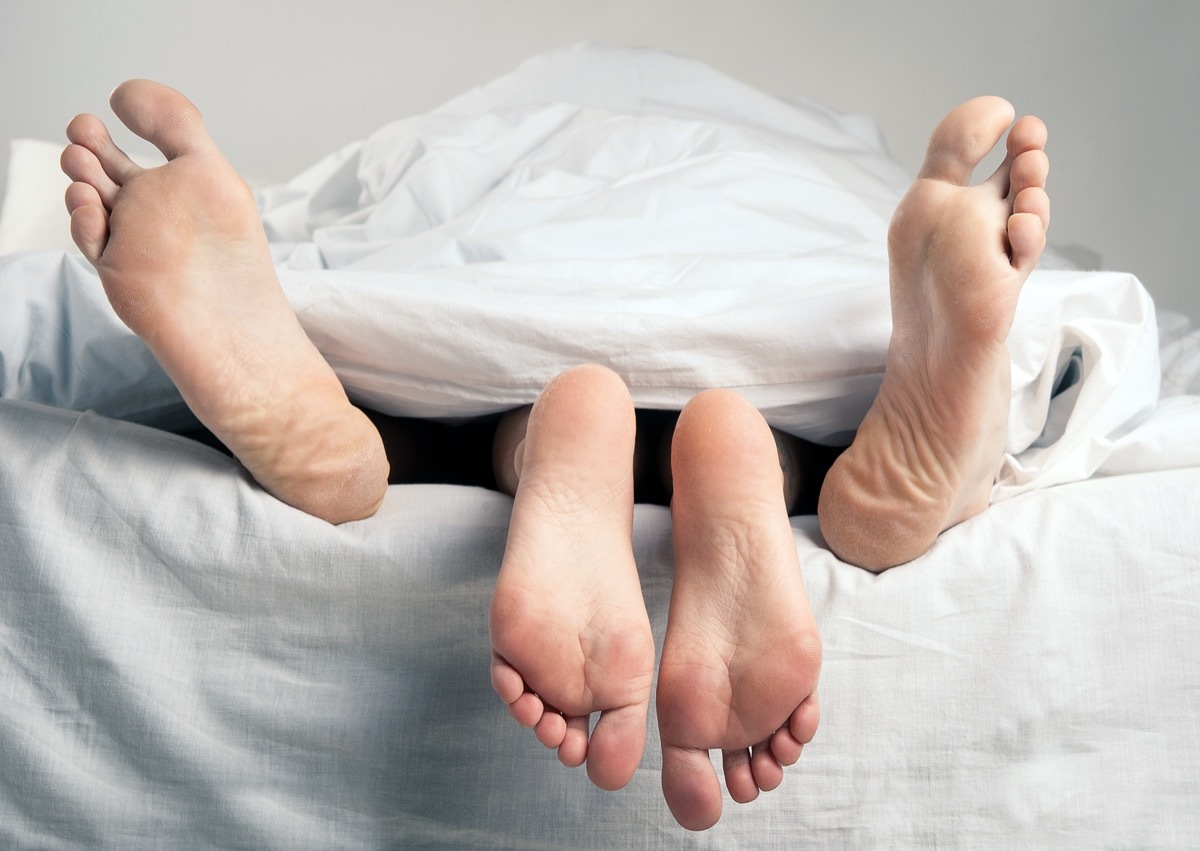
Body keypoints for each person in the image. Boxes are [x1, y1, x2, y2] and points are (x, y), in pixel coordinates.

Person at [60, 81, 1048, 831]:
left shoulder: (486, 126)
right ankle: (779, 459)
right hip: (776, 263)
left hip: (483, 284)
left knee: (440, 377)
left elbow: (371, 185)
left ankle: (447, 442)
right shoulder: (799, 146)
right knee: (775, 362)